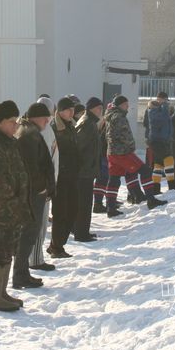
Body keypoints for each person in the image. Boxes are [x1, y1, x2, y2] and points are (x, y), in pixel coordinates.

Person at [0, 100, 32, 313]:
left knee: (7, 250)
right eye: (12, 121)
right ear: (1, 123)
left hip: (13, 209)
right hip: (3, 211)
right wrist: (13, 204)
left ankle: (1, 293)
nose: (16, 125)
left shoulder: (8, 142)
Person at [13, 102, 55, 290]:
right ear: (35, 117)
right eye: (45, 117)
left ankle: (22, 273)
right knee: (28, 233)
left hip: (31, 192)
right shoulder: (28, 134)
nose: (47, 121)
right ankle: (20, 275)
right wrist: (41, 188)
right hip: (32, 193)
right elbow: (31, 168)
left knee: (30, 233)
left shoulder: (29, 131)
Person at [103, 95, 167, 216]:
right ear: (121, 105)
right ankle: (150, 199)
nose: (128, 107)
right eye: (126, 104)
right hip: (122, 152)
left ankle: (111, 208)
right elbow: (124, 135)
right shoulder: (119, 117)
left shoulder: (110, 115)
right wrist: (130, 144)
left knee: (114, 179)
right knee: (145, 171)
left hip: (112, 152)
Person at [47, 97, 80, 259]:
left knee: (72, 210)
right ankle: (56, 247)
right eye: (68, 109)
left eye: (73, 110)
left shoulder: (71, 125)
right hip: (60, 177)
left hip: (72, 175)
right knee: (60, 213)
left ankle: (57, 244)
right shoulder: (55, 127)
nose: (71, 112)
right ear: (60, 111)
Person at [29, 95, 58, 273]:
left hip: (43, 183)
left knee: (39, 224)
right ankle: (36, 259)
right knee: (38, 224)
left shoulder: (42, 129)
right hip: (41, 185)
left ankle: (34, 258)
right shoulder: (44, 131)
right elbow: (49, 159)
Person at [73, 97, 103, 242]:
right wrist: (86, 164)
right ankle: (81, 233)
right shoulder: (87, 123)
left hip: (87, 169)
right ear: (92, 108)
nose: (101, 111)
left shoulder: (90, 122)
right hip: (84, 171)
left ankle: (83, 230)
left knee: (85, 203)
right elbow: (79, 147)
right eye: (99, 108)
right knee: (83, 203)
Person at [144, 92, 173, 193]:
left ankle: (156, 189)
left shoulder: (159, 111)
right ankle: (172, 186)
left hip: (162, 140)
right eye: (161, 101)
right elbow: (163, 119)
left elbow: (167, 123)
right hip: (157, 141)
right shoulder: (152, 112)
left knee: (158, 165)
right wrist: (165, 105)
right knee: (168, 160)